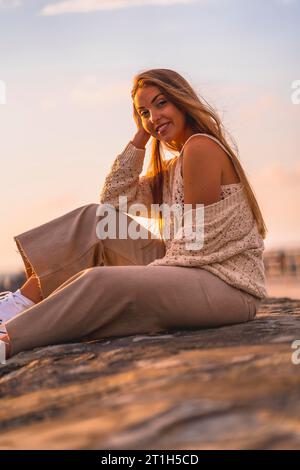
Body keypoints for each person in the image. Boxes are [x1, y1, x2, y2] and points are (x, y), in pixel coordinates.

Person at [0, 68, 268, 361]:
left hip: (225, 286)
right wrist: (141, 136)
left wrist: (137, 279)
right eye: (144, 112)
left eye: (161, 103)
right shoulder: (174, 166)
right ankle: (19, 305)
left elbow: (196, 246)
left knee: (101, 282)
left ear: (182, 101)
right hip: (187, 268)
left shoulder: (201, 148)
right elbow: (113, 202)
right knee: (96, 219)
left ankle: (10, 338)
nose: (154, 118)